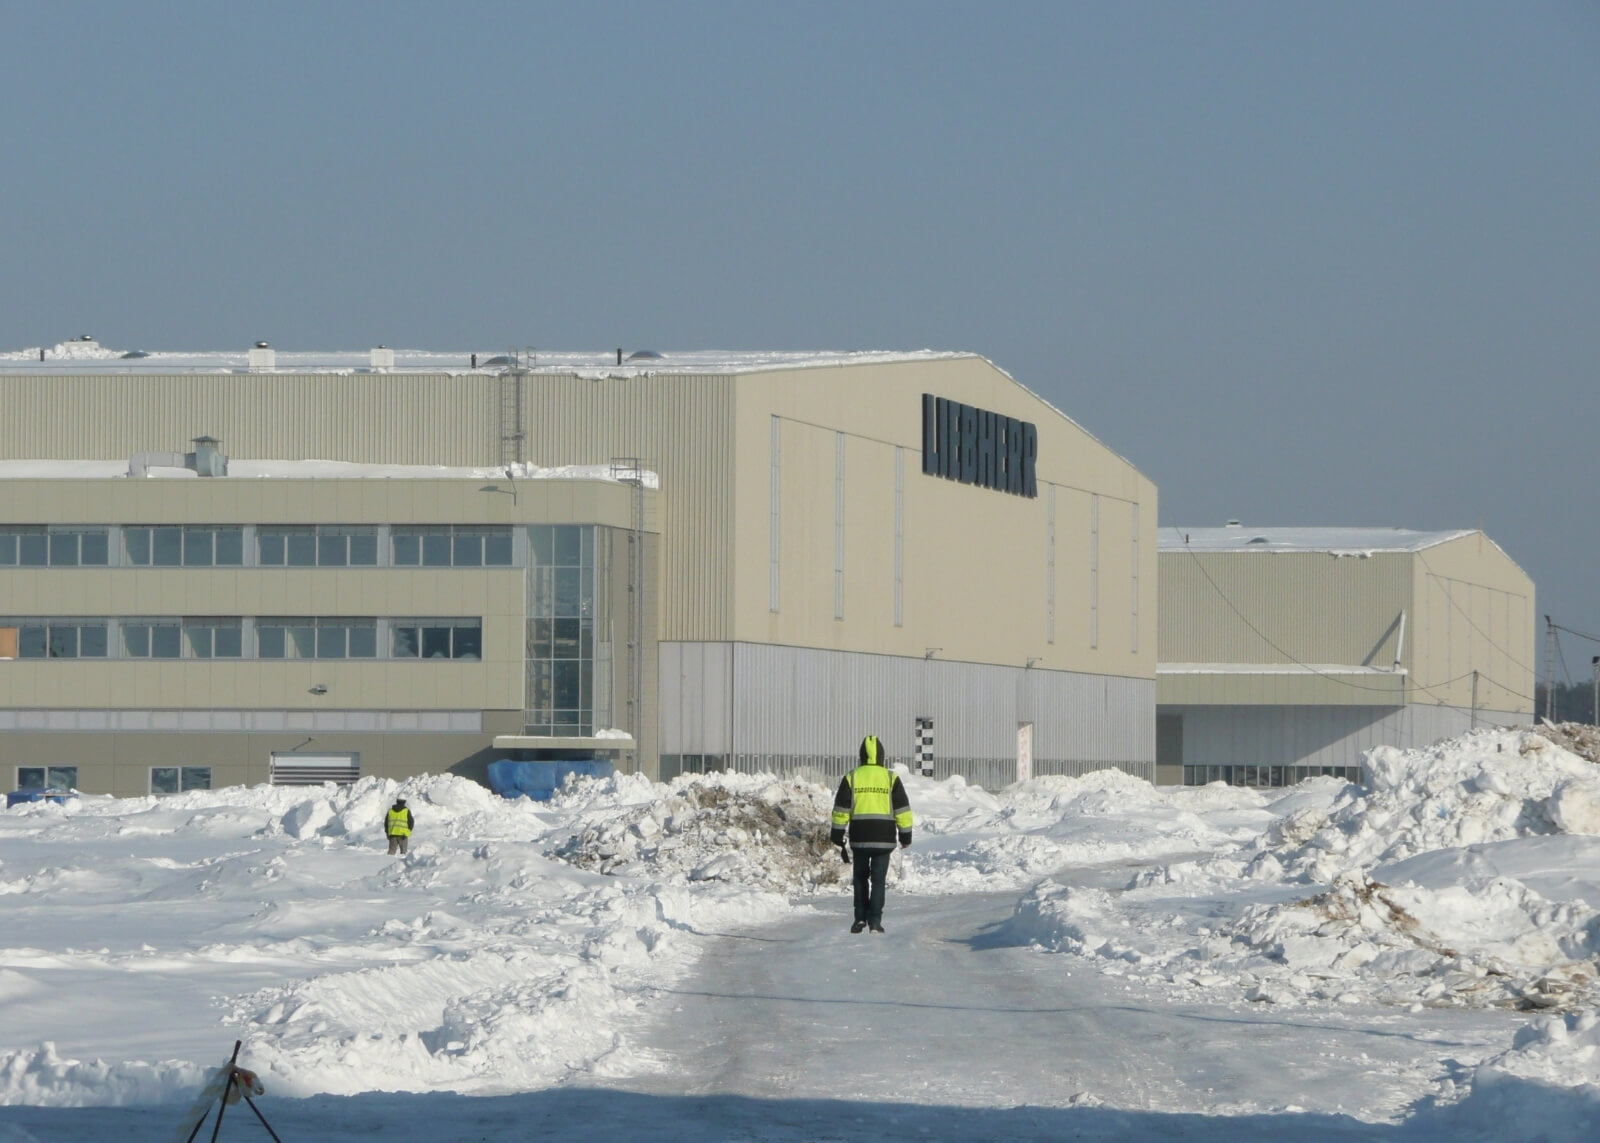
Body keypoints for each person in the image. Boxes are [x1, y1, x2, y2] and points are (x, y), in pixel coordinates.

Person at [830, 734, 913, 933]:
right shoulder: (890, 778)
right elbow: (902, 809)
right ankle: (875, 921)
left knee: (859, 879)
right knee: (878, 881)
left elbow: (841, 808)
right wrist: (905, 836)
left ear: (861, 756)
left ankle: (859, 918)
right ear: (882, 756)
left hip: (859, 838)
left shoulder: (853, 776)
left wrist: (837, 833)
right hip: (884, 839)